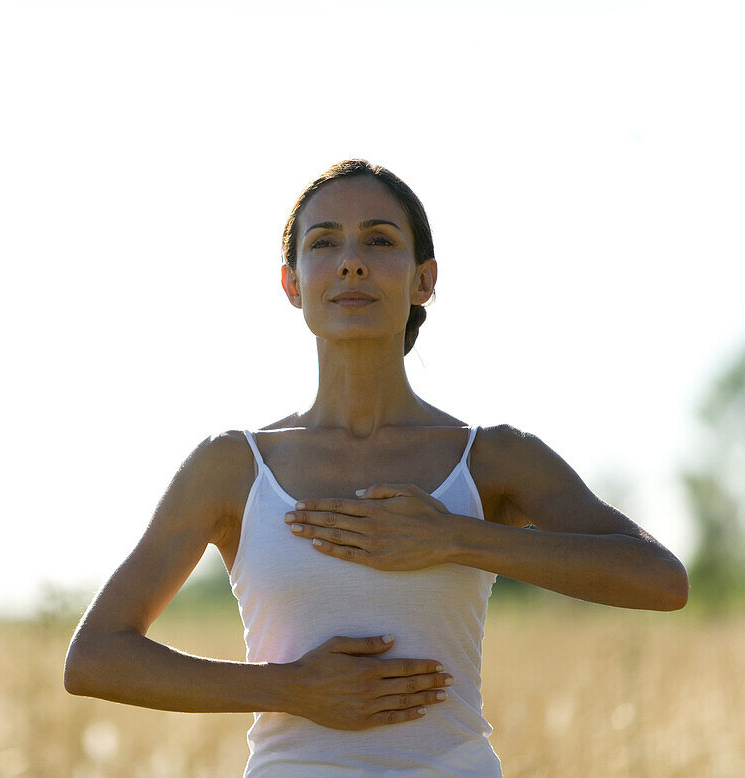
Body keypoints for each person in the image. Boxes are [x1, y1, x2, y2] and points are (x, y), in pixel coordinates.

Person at [63, 159, 689, 776]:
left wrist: (453, 538)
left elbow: (660, 580)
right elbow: (95, 657)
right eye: (325, 242)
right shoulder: (232, 466)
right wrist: (289, 688)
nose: (352, 261)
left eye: (380, 240)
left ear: (424, 281)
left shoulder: (494, 457)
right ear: (291, 283)